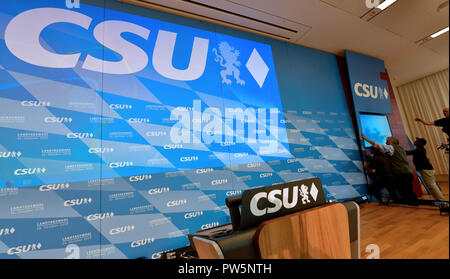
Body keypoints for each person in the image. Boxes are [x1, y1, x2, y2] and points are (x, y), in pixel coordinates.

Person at [361, 132, 419, 205]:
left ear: (391, 142)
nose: (385, 143)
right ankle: (413, 205)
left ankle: (413, 206)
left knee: (405, 191)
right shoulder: (401, 149)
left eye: (387, 142)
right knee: (407, 190)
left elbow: (378, 145)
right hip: (407, 172)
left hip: (402, 173)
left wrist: (366, 139)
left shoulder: (392, 147)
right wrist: (370, 156)